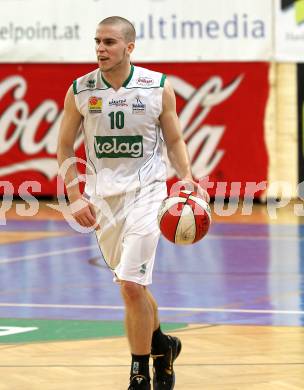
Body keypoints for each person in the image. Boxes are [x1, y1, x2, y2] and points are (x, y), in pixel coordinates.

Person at [57, 16, 208, 390]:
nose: (100, 49)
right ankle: (164, 346)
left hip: (149, 193)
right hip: (103, 199)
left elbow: (174, 140)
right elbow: (63, 147)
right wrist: (75, 197)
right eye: (97, 42)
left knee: (129, 284)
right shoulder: (80, 89)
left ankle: (139, 373)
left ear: (129, 47)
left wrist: (185, 176)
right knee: (135, 286)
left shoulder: (156, 87)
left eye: (109, 42)